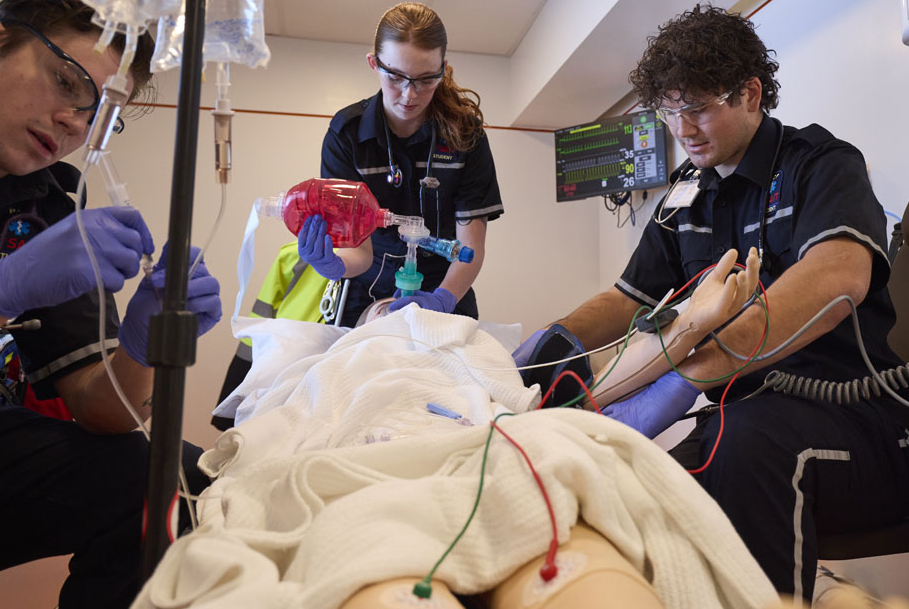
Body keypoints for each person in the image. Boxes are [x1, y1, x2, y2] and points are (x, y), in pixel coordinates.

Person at [516, 4, 909, 602]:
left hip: (856, 414)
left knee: (745, 446)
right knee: (638, 482)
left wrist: (695, 366)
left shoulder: (821, 164)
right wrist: (547, 352)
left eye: (698, 107)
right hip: (739, 408)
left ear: (750, 94)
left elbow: (840, 276)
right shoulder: (683, 196)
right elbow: (627, 299)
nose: (682, 128)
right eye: (669, 111)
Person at [137, 249, 777, 609]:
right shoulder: (330, 355)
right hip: (367, 469)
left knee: (581, 566)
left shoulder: (476, 345)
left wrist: (691, 323)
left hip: (496, 458)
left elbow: (594, 389)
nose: (398, 303)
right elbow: (276, 432)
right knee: (384, 576)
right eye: (381, 303)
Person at [0, 0, 222, 608]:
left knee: (176, 480)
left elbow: (104, 413)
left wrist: (143, 346)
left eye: (100, 114)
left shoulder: (44, 205)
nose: (76, 122)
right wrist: (1, 286)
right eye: (68, 83)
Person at [301, 2, 504, 327]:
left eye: (426, 79)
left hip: (447, 284)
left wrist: (443, 299)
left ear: (443, 68)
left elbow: (470, 248)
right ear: (374, 63)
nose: (410, 94)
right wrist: (333, 265)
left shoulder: (466, 135)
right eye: (396, 77)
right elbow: (359, 253)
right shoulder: (347, 136)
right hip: (366, 286)